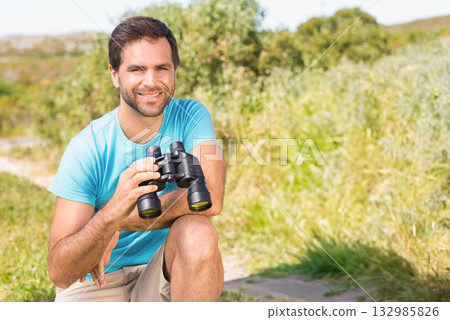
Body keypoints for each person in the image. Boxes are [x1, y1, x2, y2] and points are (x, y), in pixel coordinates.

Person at [47, 16, 226, 302]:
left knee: (198, 231)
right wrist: (110, 213)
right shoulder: (87, 147)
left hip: (163, 272)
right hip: (98, 280)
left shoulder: (192, 115)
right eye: (137, 69)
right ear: (114, 74)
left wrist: (119, 222)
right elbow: (60, 271)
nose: (151, 81)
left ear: (175, 71)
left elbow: (212, 197)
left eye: (162, 68)